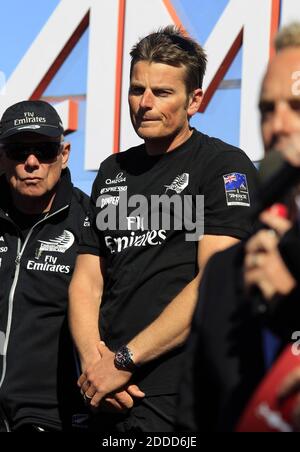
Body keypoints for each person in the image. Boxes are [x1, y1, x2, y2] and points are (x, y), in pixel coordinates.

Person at [69, 26, 258, 432]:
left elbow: (216, 282)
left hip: (183, 396)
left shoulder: (223, 167)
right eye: (137, 90)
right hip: (105, 397)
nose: (145, 104)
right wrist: (94, 363)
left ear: (195, 100)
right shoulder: (112, 171)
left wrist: (123, 361)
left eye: (163, 92)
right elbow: (87, 281)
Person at [178, 22, 300, 432]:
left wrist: (289, 305)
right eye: (268, 108)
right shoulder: (224, 274)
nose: (279, 126)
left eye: (297, 106)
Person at [0, 100, 90, 431]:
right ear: (1, 156)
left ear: (64, 154)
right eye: (18, 151)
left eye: (45, 150)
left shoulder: (91, 222)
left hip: (52, 417)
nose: (32, 162)